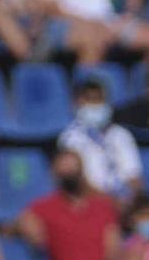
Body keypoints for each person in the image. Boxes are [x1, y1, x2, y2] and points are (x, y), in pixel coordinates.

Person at [16, 148, 123, 260]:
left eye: (73, 168)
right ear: (55, 173)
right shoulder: (44, 207)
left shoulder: (103, 206)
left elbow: (113, 250)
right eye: (64, 169)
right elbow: (24, 224)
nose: (69, 173)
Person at [59, 73, 143, 202]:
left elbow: (134, 177)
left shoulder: (121, 134)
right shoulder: (70, 138)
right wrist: (107, 202)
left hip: (123, 203)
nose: (95, 105)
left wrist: (128, 201)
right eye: (90, 100)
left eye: (99, 99)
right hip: (89, 201)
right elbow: (78, 181)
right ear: (77, 103)